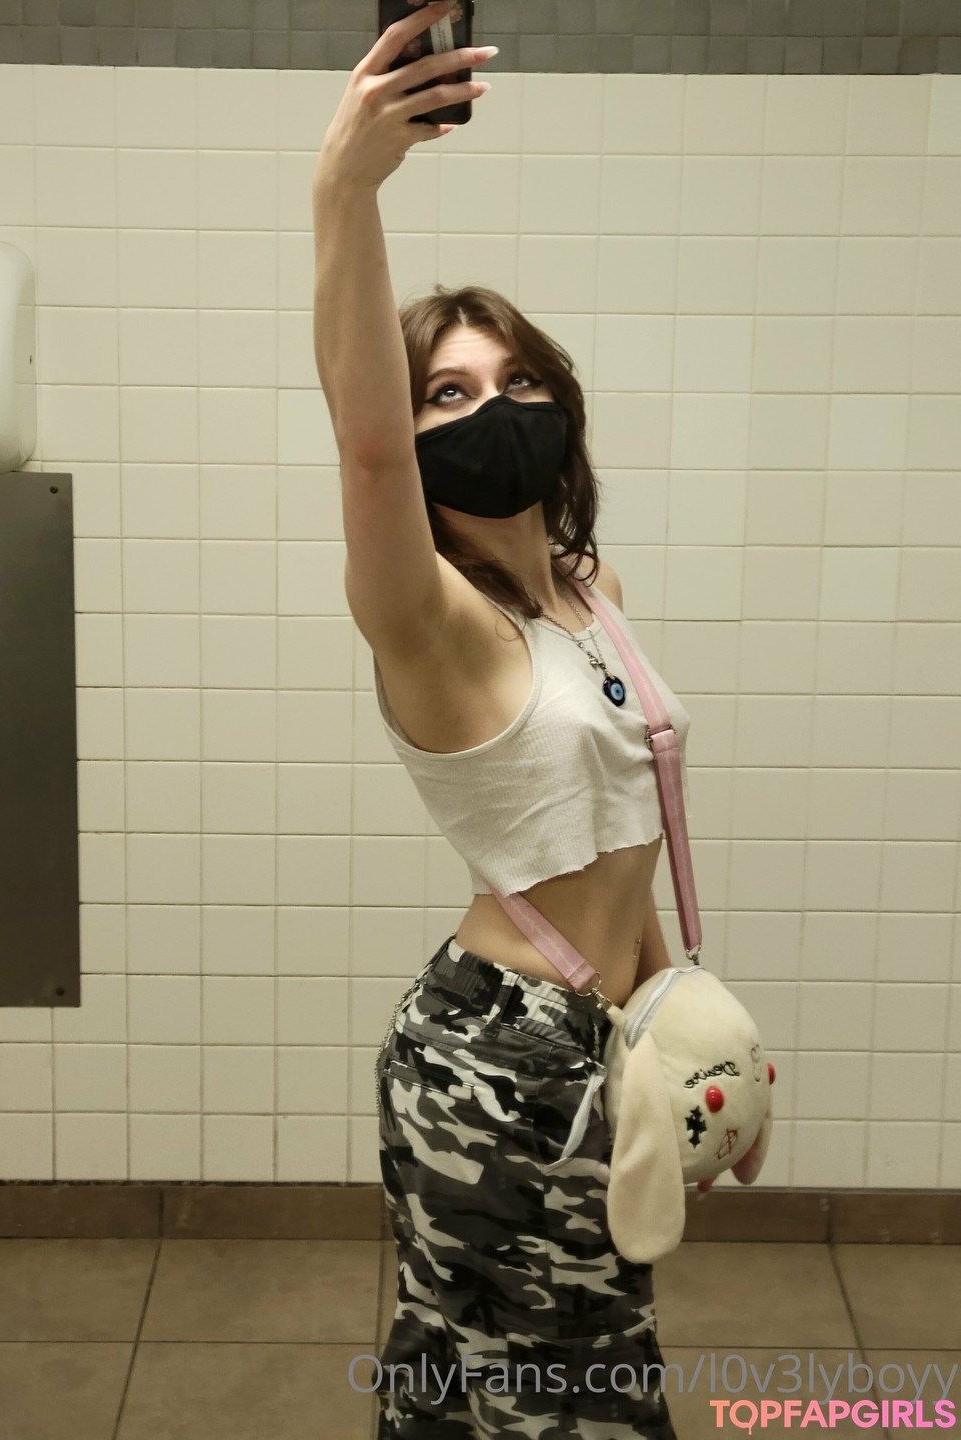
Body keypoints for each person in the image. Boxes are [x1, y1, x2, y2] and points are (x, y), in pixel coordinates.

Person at [313, 5, 687, 1435]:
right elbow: (362, 448)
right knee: (542, 1397)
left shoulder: (590, 591)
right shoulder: (433, 623)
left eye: (518, 380)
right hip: (496, 1058)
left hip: (601, 1034)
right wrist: (345, 191)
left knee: (544, 1380)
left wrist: (674, 1020)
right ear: (412, 436)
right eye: (450, 392)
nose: (496, 406)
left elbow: (627, 825)